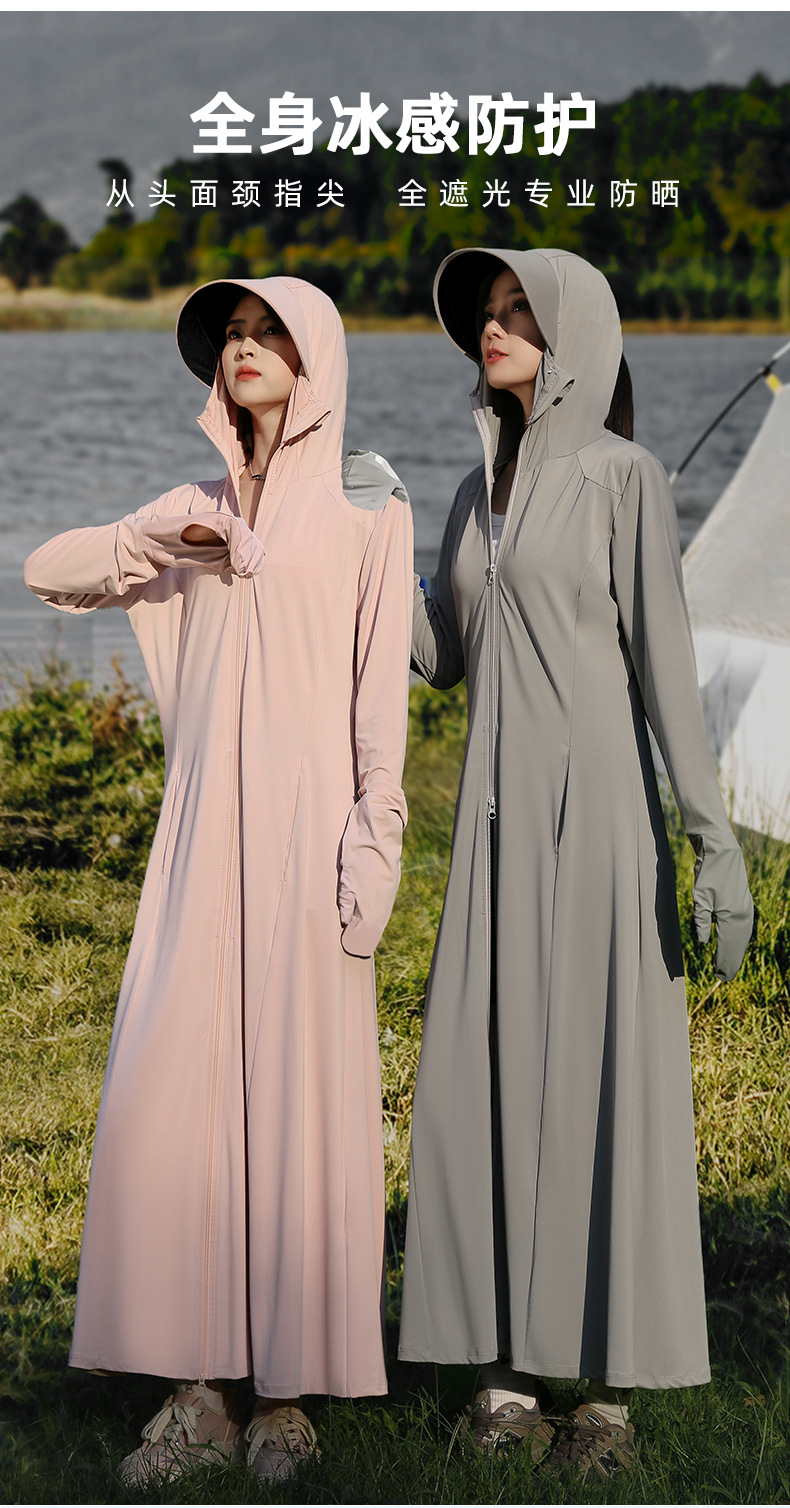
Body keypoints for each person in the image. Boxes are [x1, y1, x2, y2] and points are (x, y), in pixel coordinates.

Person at [23, 276, 413, 1483]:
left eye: (265, 332)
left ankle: (285, 1397)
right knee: (176, 1098)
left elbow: (378, 698)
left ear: (314, 354)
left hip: (311, 838)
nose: (243, 349)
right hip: (198, 843)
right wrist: (164, 543)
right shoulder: (191, 505)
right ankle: (198, 1391)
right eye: (229, 336)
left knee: (297, 1106)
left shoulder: (369, 504)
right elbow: (47, 570)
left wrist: (375, 840)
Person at [397, 248, 753, 1478]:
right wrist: (366, 548)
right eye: (485, 315)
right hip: (491, 835)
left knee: (604, 1080)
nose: (493, 329)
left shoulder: (622, 475)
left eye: (519, 312)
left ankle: (605, 1396)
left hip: (598, 822)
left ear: (575, 337)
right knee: (484, 1079)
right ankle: (501, 1373)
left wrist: (710, 839)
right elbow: (440, 653)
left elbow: (665, 665)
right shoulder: (469, 489)